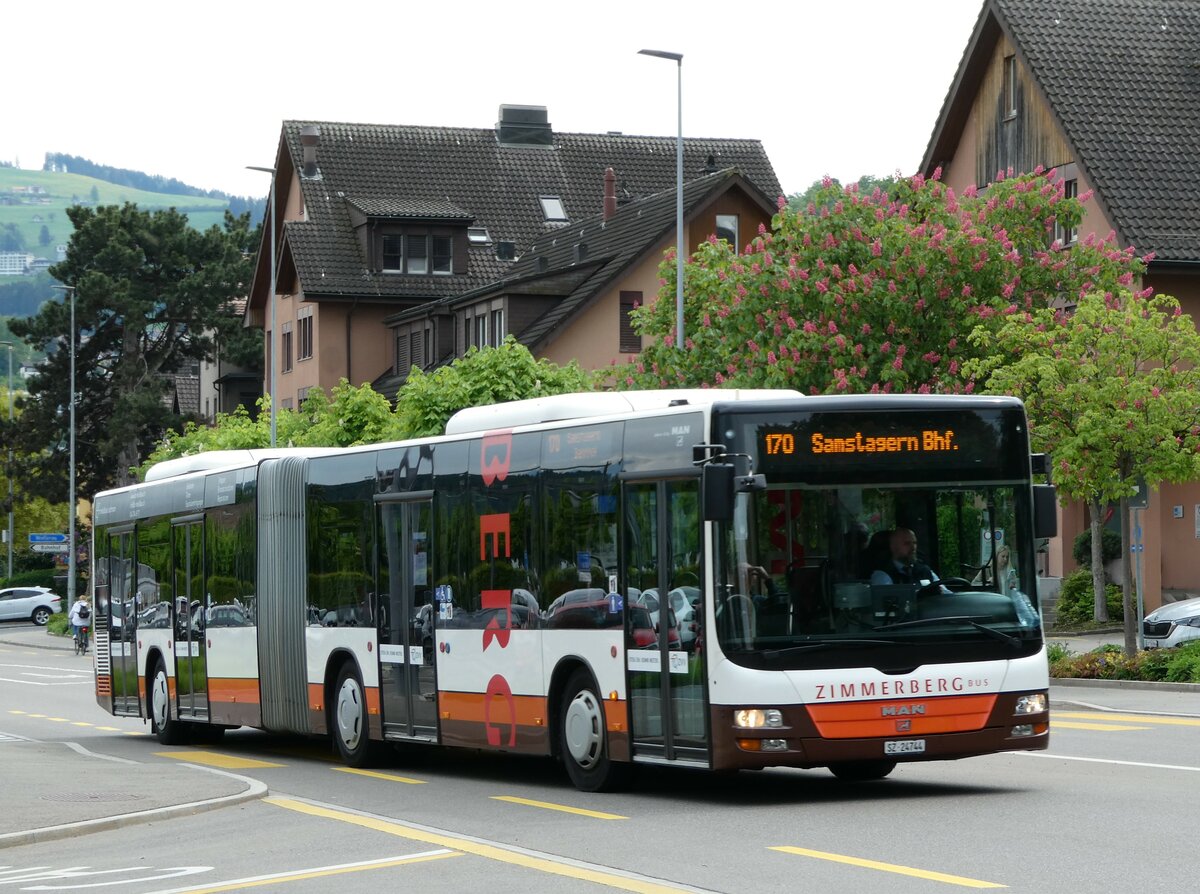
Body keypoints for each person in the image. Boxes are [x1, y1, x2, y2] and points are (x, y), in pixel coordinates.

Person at [869, 527, 939, 586]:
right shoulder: (883, 575)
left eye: (914, 543)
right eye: (907, 543)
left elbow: (946, 595)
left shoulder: (925, 570)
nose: (913, 548)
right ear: (893, 547)